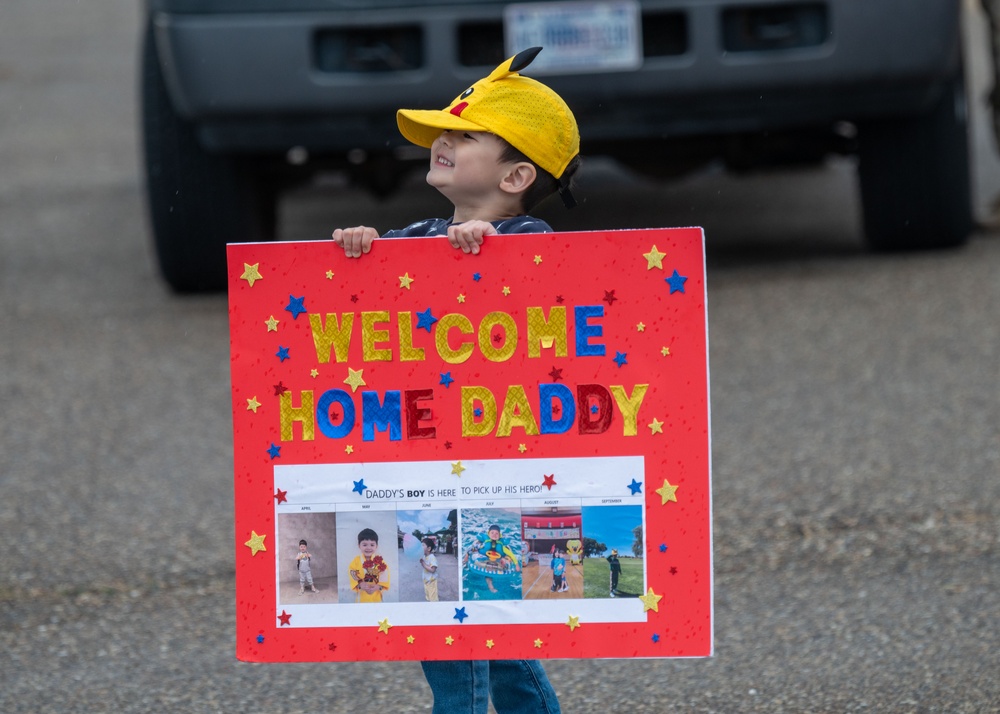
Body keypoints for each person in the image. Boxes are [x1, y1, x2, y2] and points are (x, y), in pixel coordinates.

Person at [331, 46, 574, 714]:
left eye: (465, 136)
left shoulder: (532, 235)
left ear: (518, 174)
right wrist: (361, 248)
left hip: (499, 469)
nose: (442, 140)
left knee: (467, 631)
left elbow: (553, 296)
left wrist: (490, 254)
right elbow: (376, 292)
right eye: (444, 129)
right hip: (427, 468)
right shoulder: (421, 234)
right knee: (461, 623)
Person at [348, 528, 390, 603]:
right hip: (361, 597)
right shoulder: (356, 561)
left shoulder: (380, 561)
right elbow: (352, 572)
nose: (368, 548)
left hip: (376, 596)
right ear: (359, 545)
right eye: (364, 545)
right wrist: (360, 584)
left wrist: (379, 586)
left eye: (372, 545)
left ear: (376, 546)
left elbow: (385, 574)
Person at [420, 537, 439, 602]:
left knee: (433, 598)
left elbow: (433, 570)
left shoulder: (432, 557)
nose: (420, 547)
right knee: (428, 596)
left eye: (423, 545)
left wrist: (424, 564)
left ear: (429, 548)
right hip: (426, 581)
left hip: (431, 581)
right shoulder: (424, 556)